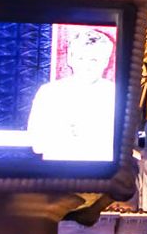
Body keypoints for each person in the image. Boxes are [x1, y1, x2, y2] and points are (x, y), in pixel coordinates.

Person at [26, 25, 117, 162]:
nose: (87, 66)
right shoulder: (49, 93)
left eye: (94, 60)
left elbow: (125, 146)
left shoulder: (116, 95)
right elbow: (37, 144)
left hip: (102, 179)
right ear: (70, 58)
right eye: (81, 58)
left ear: (105, 62)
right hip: (57, 177)